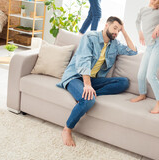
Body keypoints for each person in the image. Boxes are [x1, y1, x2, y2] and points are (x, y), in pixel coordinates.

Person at [57, 16, 137, 146]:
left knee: (123, 82)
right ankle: (67, 129)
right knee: (89, 100)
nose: (116, 32)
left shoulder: (114, 44)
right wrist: (87, 85)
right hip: (76, 76)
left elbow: (133, 51)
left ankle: (85, 94)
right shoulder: (90, 37)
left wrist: (124, 31)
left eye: (119, 30)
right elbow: (84, 62)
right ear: (106, 25)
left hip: (94, 79)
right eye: (114, 28)